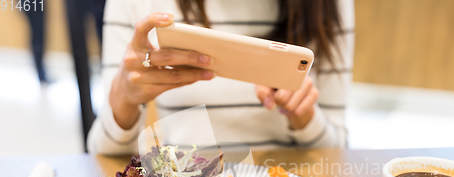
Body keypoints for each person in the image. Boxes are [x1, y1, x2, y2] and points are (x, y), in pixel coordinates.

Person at [87, 0, 355, 155]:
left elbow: (338, 150)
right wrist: (124, 98)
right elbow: (101, 150)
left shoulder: (328, 6)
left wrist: (306, 118)